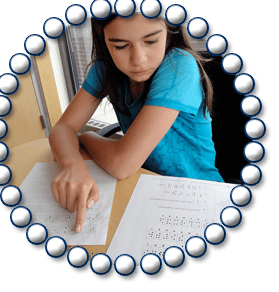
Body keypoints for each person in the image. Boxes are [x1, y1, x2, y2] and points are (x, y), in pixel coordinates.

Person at [48, 12, 224, 234]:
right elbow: (62, 128)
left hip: (199, 198)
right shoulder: (104, 68)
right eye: (120, 46)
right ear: (104, 41)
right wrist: (71, 163)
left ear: (170, 31)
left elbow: (122, 163)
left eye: (151, 41)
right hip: (144, 190)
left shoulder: (179, 66)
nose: (138, 59)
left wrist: (86, 137)